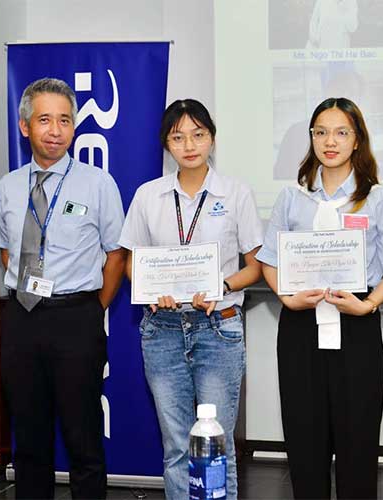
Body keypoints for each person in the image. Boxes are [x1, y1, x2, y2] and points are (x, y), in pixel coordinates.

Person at [256, 97, 383, 499]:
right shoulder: (293, 197)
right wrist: (286, 298)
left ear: (357, 140)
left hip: (356, 321)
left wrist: (369, 303)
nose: (331, 141)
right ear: (311, 138)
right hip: (300, 325)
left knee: (357, 440)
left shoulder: (376, 198)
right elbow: (269, 260)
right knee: (304, 440)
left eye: (342, 132)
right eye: (321, 132)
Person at [119, 99, 263, 500]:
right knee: (177, 446)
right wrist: (149, 290)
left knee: (217, 446)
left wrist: (222, 285)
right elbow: (131, 260)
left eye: (198, 134)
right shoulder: (149, 196)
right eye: (178, 136)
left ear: (212, 139)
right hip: (163, 331)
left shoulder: (236, 194)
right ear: (166, 144)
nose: (189, 145)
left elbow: (255, 266)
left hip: (219, 331)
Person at [0, 77, 126, 499]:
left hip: (76, 320)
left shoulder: (98, 183)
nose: (56, 129)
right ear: (25, 125)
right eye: (45, 119)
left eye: (65, 120)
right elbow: (6, 254)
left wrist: (88, 308)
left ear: (74, 127)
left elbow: (116, 256)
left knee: (83, 437)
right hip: (22, 320)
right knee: (29, 439)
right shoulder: (8, 186)